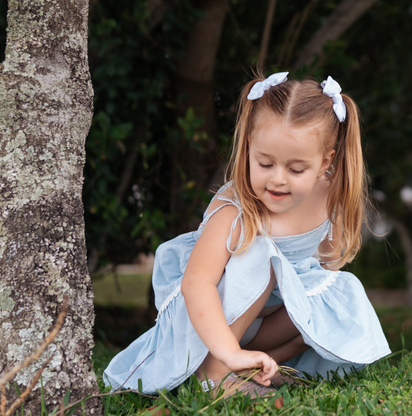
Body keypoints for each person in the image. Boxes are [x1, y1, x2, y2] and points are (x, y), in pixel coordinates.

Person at [103, 72, 391, 397]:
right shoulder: (235, 212)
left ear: (326, 162)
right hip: (209, 321)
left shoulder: (327, 196)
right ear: (249, 147)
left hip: (262, 327)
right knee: (265, 256)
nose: (278, 180)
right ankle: (214, 373)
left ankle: (259, 369)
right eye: (265, 164)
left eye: (296, 169)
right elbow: (197, 284)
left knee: (332, 294)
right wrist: (228, 349)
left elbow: (321, 267)